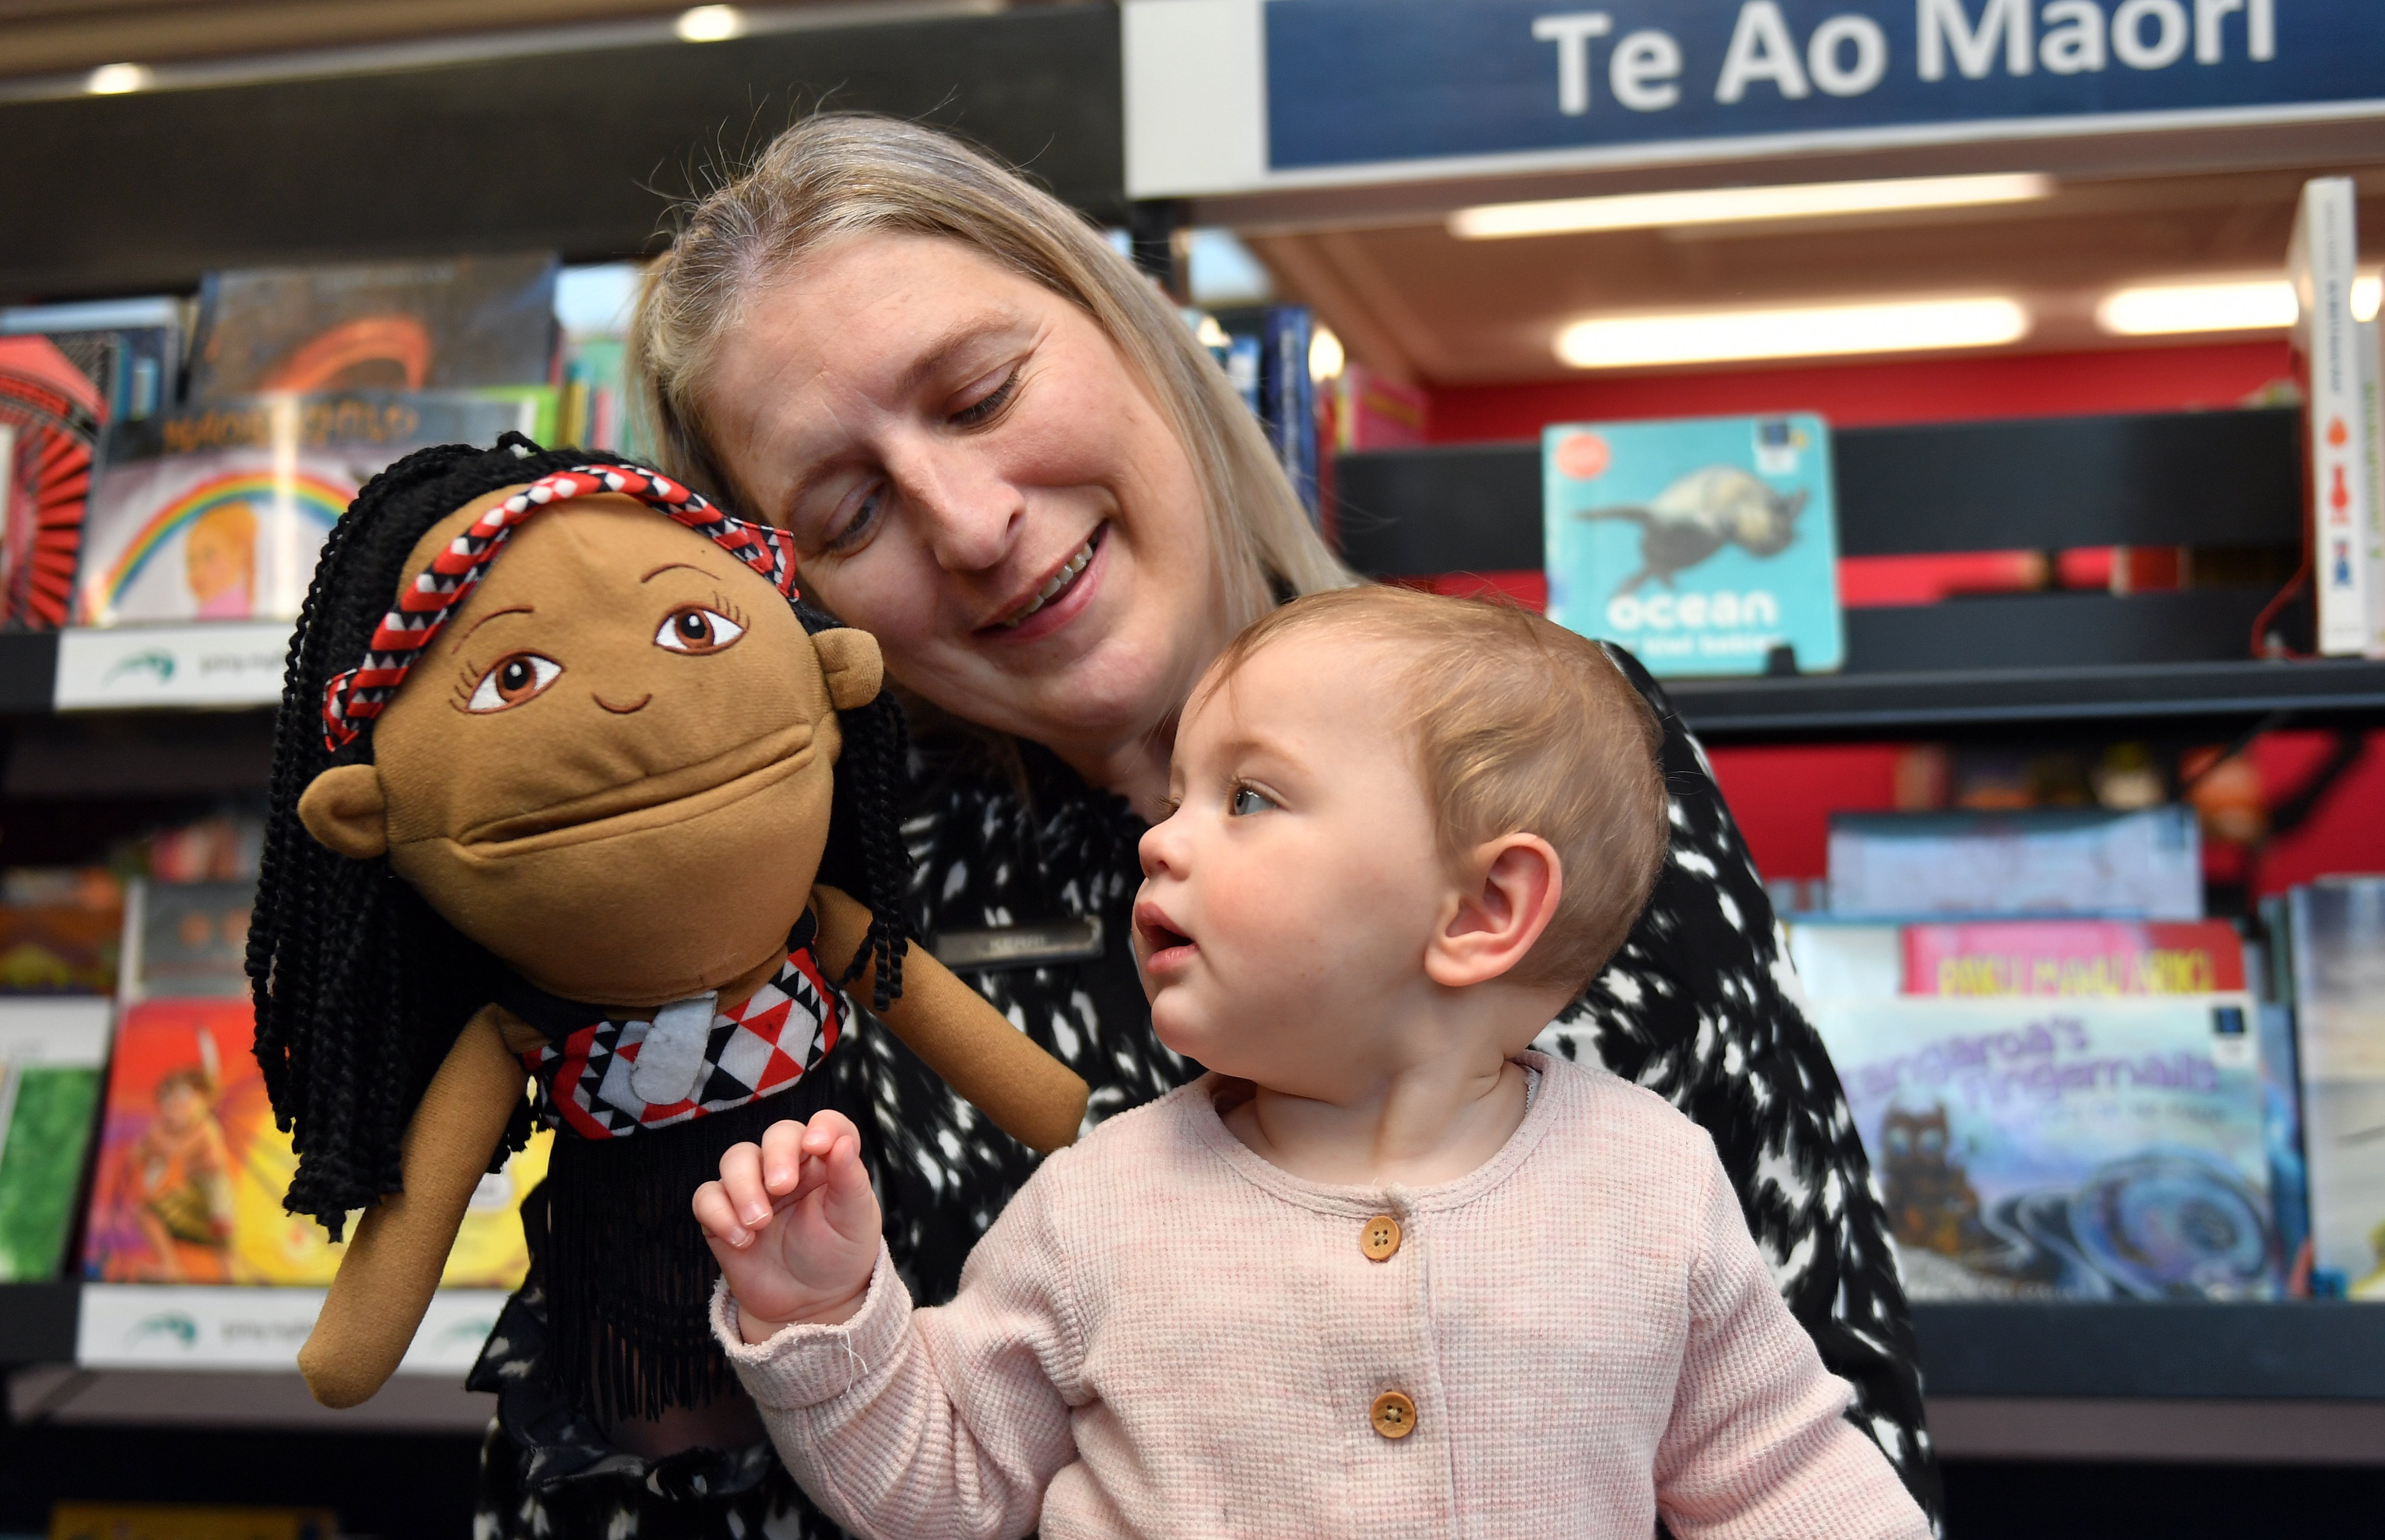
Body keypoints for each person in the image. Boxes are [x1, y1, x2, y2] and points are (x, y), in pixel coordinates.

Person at [468, 111, 1939, 1536]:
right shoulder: (790, 899)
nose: (971, 523)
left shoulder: (1534, 755)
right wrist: (757, 1311)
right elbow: (751, 1476)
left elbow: (1811, 1421)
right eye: (848, 516)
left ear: (1143, 334)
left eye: (981, 395)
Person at [694, 588, 1930, 1540]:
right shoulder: (1097, 1207)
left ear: (1484, 908)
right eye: (1177, 796)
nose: (1160, 842)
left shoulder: (1653, 1189)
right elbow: (947, 1488)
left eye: (1247, 799)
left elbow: (1785, 1479)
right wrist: (820, 1316)